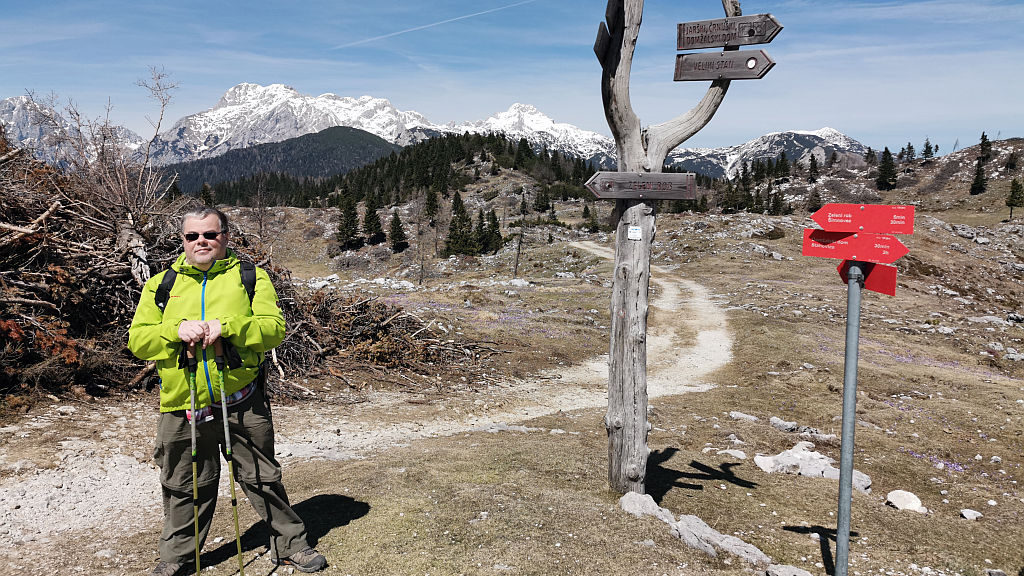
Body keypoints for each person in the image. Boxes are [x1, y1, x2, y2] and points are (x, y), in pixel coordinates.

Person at [129, 207, 327, 575]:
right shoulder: (161, 285)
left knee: (261, 477)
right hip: (182, 404)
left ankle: (290, 545)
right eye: (192, 236)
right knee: (183, 484)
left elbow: (273, 329)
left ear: (226, 236)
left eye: (210, 234)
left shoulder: (251, 277)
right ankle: (177, 558)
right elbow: (138, 341)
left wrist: (229, 326)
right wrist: (175, 330)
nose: (201, 241)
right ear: (183, 241)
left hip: (242, 400)